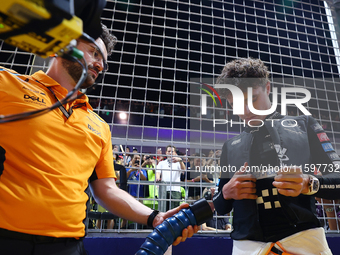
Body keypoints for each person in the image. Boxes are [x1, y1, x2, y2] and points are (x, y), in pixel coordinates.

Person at [0, 23, 196, 254]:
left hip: (69, 245)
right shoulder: (8, 85)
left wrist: (154, 217)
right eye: (93, 52)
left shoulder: (99, 125)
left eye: (103, 60)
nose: (100, 65)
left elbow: (106, 190)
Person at [213, 58, 340, 255]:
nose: (246, 111)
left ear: (267, 87)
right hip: (246, 246)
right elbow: (221, 206)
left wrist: (310, 183)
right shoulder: (230, 147)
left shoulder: (304, 125)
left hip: (305, 242)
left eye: (253, 99)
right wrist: (227, 192)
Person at [156, 145, 186, 210]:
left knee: (174, 212)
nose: (170, 153)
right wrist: (158, 178)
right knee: (163, 210)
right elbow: (158, 172)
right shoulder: (161, 163)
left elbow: (183, 170)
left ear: (175, 153)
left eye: (172, 151)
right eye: (169, 151)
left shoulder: (178, 163)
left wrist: (180, 160)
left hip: (175, 190)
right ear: (166, 152)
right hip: (164, 190)